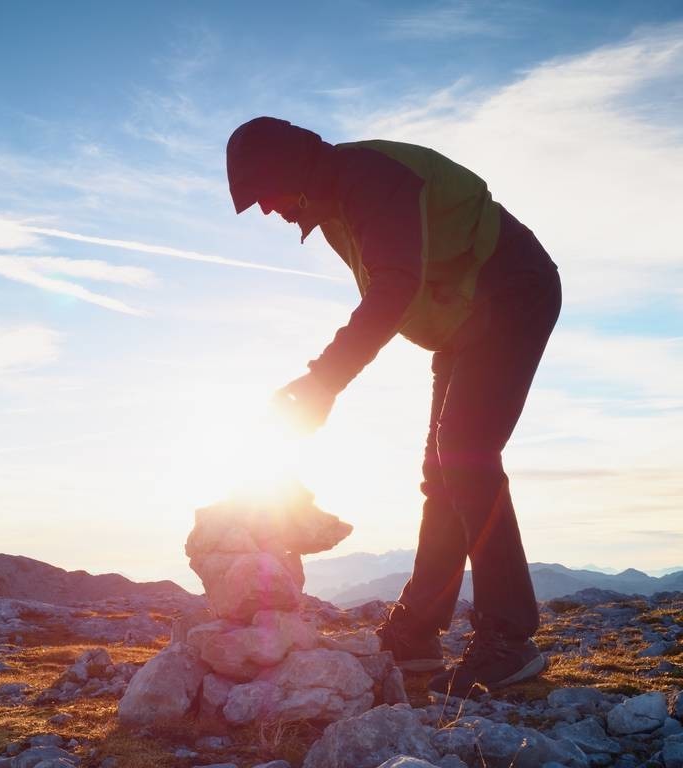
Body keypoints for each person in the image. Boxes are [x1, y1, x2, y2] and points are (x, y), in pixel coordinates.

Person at [226, 116, 561, 697]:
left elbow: (394, 289)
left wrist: (322, 382)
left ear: (289, 169)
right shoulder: (338, 205)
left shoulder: (369, 179)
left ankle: (507, 641)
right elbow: (399, 292)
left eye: (264, 194)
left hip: (511, 294)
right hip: (465, 322)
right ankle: (415, 636)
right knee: (443, 472)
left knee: (466, 456)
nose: (266, 211)